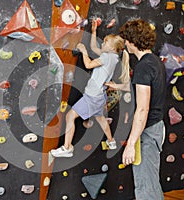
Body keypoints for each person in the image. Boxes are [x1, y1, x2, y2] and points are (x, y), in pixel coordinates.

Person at [50, 19, 130, 158]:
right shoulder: (113, 57)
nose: (102, 43)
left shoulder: (106, 57)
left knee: (70, 117)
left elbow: (88, 64)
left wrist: (83, 51)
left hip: (92, 97)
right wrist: (94, 32)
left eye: (105, 42)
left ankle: (67, 147)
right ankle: (111, 141)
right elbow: (95, 48)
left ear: (111, 48)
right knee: (100, 118)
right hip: (99, 96)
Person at [112, 19, 166, 199]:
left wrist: (131, 145)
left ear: (134, 42)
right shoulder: (154, 62)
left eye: (127, 40)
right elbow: (146, 89)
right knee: (150, 183)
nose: (126, 44)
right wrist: (118, 86)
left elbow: (142, 109)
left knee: (146, 189)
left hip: (147, 133)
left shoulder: (143, 67)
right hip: (155, 128)